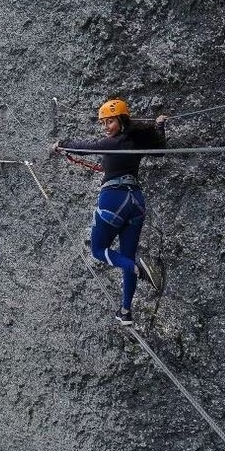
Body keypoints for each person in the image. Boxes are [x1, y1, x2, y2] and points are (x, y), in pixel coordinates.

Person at [53, 97, 168, 324]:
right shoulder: (135, 142)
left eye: (110, 122)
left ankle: (137, 268)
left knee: (98, 250)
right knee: (126, 257)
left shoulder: (113, 143)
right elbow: (160, 152)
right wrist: (159, 127)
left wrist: (61, 144)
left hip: (114, 199)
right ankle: (125, 311)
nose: (106, 127)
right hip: (136, 202)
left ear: (122, 121)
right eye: (103, 123)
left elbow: (85, 147)